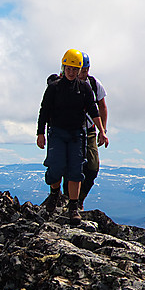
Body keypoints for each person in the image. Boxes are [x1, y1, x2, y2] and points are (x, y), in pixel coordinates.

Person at [36, 49, 108, 223]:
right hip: (57, 132)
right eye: (69, 68)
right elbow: (44, 110)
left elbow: (93, 109)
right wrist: (40, 133)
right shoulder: (54, 88)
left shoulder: (84, 87)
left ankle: (73, 207)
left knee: (76, 170)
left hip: (77, 134)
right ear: (63, 67)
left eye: (75, 69)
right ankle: (55, 194)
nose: (71, 72)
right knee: (56, 167)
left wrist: (102, 131)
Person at [77, 52, 108, 210]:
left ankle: (80, 199)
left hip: (89, 131)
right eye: (81, 70)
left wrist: (103, 129)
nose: (84, 73)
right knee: (73, 167)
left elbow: (102, 106)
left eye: (86, 70)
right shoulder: (66, 83)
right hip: (71, 131)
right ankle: (71, 201)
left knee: (93, 167)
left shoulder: (94, 84)